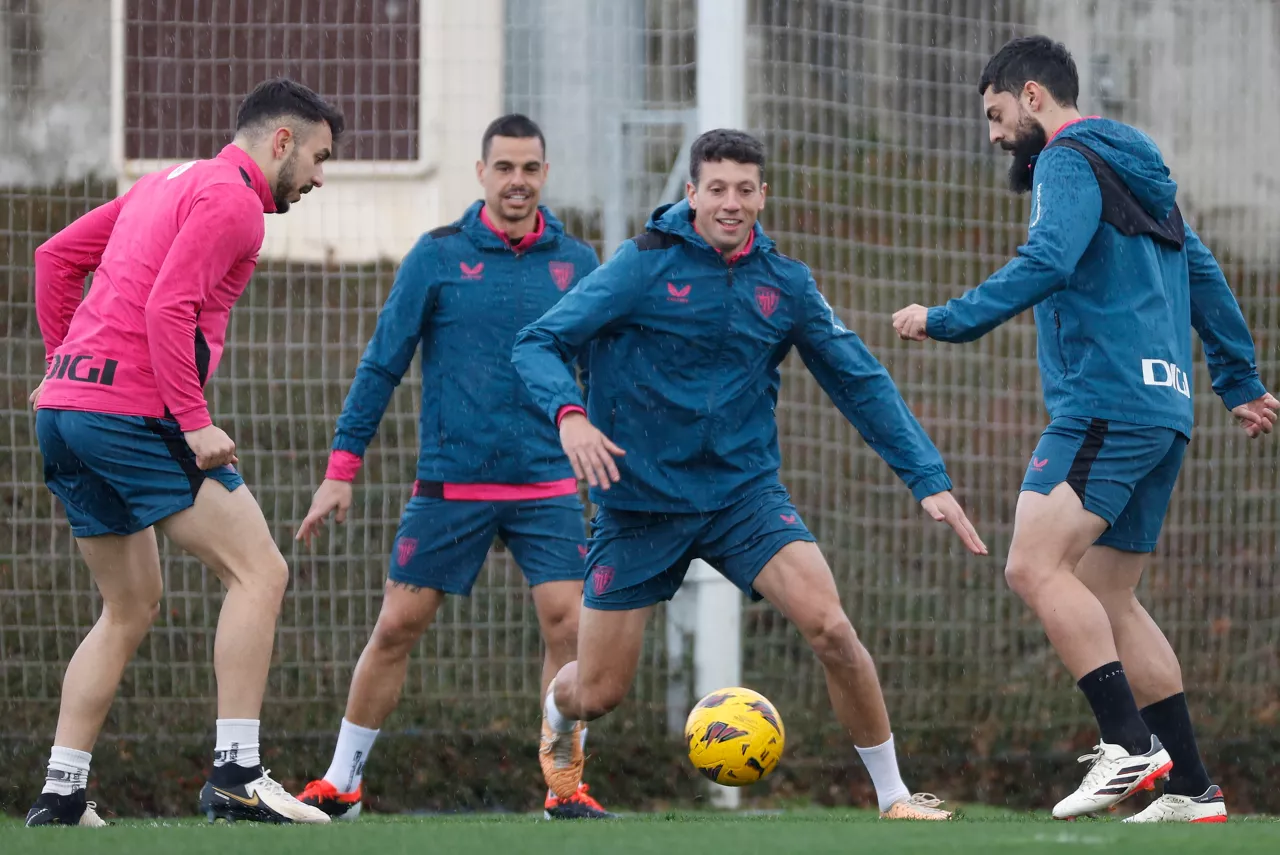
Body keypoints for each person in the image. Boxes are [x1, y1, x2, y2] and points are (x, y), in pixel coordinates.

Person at [511, 128, 988, 821]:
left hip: (743, 498)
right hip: (640, 504)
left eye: (744, 189)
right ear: (692, 194)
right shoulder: (641, 266)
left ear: (763, 195)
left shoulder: (785, 283)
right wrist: (570, 417)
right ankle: (559, 712)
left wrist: (928, 478)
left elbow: (859, 380)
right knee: (600, 691)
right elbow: (537, 343)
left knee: (831, 627)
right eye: (717, 189)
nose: (730, 203)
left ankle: (894, 795)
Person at [891, 36, 1277, 822]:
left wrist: (946, 320)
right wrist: (1237, 381)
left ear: (1033, 97)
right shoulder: (1145, 175)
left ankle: (1128, 746)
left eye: (997, 115)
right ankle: (1192, 788)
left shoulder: (1065, 161)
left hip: (1104, 400)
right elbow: (1201, 272)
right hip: (1165, 410)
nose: (996, 135)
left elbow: (1048, 258)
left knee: (1031, 566)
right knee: (1110, 594)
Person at [27, 78, 344, 826]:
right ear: (282, 142)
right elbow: (168, 305)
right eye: (320, 158)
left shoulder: (159, 184)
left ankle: (62, 792)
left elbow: (52, 259)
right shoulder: (235, 202)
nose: (320, 178)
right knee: (260, 569)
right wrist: (194, 421)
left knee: (128, 605)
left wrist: (59, 368)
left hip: (67, 415)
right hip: (132, 417)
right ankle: (238, 772)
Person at [294, 114, 611, 821]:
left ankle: (564, 786)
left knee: (569, 624)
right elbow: (383, 363)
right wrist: (341, 467)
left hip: (546, 483)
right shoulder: (437, 256)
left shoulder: (579, 263)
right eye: (504, 168)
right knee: (398, 623)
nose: (517, 182)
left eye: (530, 169)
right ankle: (342, 782)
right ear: (481, 173)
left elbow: (605, 371)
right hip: (451, 481)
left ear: (545, 175)